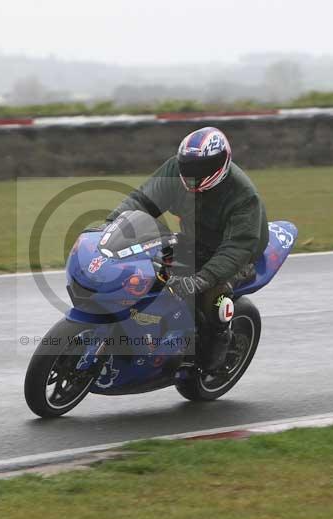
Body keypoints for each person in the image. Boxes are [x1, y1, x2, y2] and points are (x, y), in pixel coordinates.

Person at [104, 126, 268, 371]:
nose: (192, 173)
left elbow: (236, 248)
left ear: (220, 165)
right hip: (193, 240)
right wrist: (111, 224)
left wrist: (201, 279)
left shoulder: (243, 195)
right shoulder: (174, 170)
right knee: (144, 265)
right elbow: (142, 201)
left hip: (238, 254)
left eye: (200, 169)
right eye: (187, 166)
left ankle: (218, 345)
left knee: (213, 298)